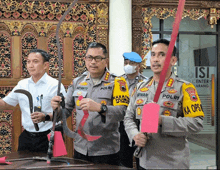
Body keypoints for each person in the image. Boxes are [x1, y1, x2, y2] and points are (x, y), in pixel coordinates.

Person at [124, 39, 204, 169]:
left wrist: (163, 121)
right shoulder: (140, 88)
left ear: (173, 60)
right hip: (145, 162)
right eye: (153, 55)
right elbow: (128, 118)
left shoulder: (185, 88)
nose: (155, 59)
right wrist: (134, 135)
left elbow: (197, 123)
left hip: (173, 162)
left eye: (161, 55)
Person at [51, 42, 129, 165]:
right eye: (89, 58)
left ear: (106, 61)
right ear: (85, 59)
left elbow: (123, 113)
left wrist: (100, 108)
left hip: (106, 150)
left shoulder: (118, 82)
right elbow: (66, 111)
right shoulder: (77, 82)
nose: (93, 62)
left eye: (98, 58)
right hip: (81, 147)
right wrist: (57, 109)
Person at [0, 49, 66, 153]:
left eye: (35, 61)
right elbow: (4, 103)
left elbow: (64, 113)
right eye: (28, 61)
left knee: (54, 167)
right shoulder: (22, 84)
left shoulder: (55, 85)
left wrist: (45, 117)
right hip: (27, 136)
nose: (30, 65)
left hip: (52, 134)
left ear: (45, 65)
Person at [119, 52, 148, 168]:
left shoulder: (146, 82)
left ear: (138, 66)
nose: (127, 65)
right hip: (121, 124)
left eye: (131, 63)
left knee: (141, 158)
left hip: (140, 124)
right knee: (123, 159)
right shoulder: (118, 81)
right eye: (126, 63)